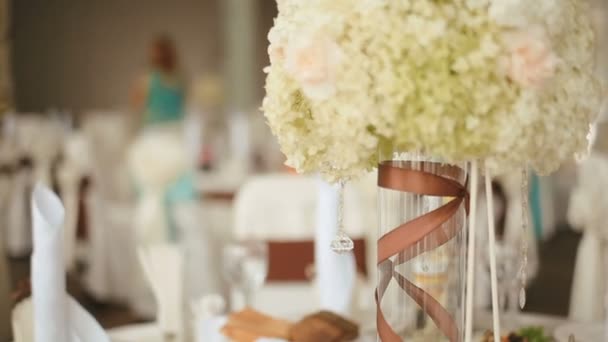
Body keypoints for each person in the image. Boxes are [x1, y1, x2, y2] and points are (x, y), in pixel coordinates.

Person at [131, 35, 186, 126]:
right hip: (156, 127)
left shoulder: (178, 77)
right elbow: (136, 102)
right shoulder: (148, 77)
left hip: (173, 126)